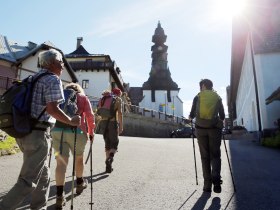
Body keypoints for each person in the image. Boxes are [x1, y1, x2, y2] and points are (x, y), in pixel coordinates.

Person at [0, 49, 81, 210]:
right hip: (38, 135)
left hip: (24, 132)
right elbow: (52, 109)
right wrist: (71, 121)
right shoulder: (52, 79)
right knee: (28, 181)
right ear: (51, 63)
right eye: (60, 61)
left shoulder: (32, 78)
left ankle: (39, 207)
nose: (63, 65)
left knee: (43, 176)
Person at [51, 83, 95, 208]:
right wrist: (91, 132)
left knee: (60, 163)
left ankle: (59, 196)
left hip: (58, 130)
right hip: (77, 131)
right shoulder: (83, 97)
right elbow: (90, 117)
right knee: (79, 158)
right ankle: (80, 183)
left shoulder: (59, 95)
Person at [189, 79, 225, 193]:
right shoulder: (217, 97)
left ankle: (207, 185)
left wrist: (192, 119)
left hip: (200, 129)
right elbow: (223, 116)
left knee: (205, 157)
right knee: (215, 155)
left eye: (201, 86)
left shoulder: (197, 96)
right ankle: (216, 180)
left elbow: (191, 115)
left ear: (203, 86)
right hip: (214, 129)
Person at [97, 88, 123, 173]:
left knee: (107, 144)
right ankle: (110, 158)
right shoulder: (118, 99)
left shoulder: (104, 98)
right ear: (119, 94)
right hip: (112, 122)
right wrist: (121, 126)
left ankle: (108, 166)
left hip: (103, 122)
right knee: (114, 144)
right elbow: (120, 113)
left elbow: (99, 111)